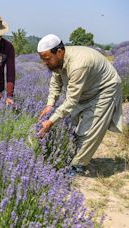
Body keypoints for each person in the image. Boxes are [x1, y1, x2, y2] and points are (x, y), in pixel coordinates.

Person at [37, 34, 124, 175]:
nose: (45, 63)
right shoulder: (58, 60)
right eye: (42, 60)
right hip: (86, 90)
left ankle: (77, 165)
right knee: (72, 123)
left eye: (47, 59)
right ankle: (73, 155)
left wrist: (50, 122)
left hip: (104, 89)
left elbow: (71, 100)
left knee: (89, 129)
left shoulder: (78, 65)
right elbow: (55, 82)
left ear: (59, 52)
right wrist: (50, 104)